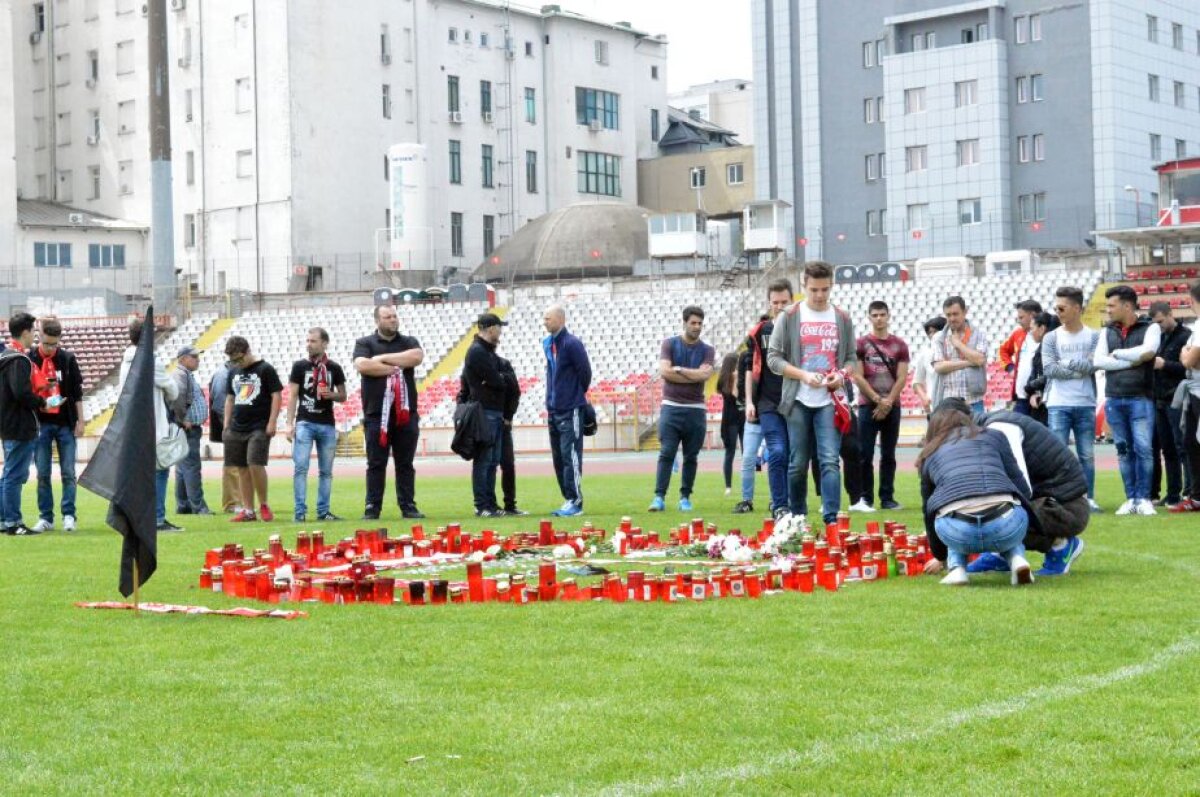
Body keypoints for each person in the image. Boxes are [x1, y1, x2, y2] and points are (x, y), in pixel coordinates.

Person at [930, 399, 1088, 577]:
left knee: (1000, 516)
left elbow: (1022, 488)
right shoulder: (986, 430)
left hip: (1065, 507)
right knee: (993, 511)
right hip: (1050, 498)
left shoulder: (1001, 428)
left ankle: (1061, 545)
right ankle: (1000, 555)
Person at [768, 260, 857, 526]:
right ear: (804, 286)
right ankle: (798, 517)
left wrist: (840, 375)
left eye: (825, 289)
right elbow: (774, 359)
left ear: (831, 286)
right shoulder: (790, 316)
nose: (819, 296)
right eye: (814, 290)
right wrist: (804, 375)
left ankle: (831, 520)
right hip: (798, 398)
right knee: (798, 463)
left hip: (829, 400)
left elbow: (852, 358)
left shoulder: (842, 318)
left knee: (830, 460)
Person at [917, 405, 1036, 587]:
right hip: (1006, 526)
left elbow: (928, 511)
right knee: (1011, 507)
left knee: (949, 507)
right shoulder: (994, 436)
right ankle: (1017, 560)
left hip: (957, 532)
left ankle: (957, 569)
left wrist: (940, 556)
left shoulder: (930, 453)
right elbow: (1021, 487)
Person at [1094, 285, 1161, 515]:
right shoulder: (1107, 331)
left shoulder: (1151, 327)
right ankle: (1130, 498)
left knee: (1143, 448)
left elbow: (1149, 352)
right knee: (1123, 450)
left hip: (1141, 397)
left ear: (1127, 306)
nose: (1108, 310)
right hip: (1114, 398)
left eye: (1112, 305)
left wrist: (1119, 354)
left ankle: (1143, 498)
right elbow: (1099, 361)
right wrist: (1132, 360)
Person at [354, 305, 425, 520]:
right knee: (376, 463)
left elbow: (416, 357)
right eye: (388, 317)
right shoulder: (364, 343)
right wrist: (394, 366)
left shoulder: (409, 341)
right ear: (377, 320)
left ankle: (408, 506)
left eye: (395, 316)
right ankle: (372, 507)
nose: (393, 320)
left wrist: (380, 359)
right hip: (376, 415)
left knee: (405, 464)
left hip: (405, 414)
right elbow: (363, 366)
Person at [1041, 286, 1102, 512]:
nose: (1057, 312)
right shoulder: (1050, 337)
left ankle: (1089, 497)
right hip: (1058, 403)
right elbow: (1049, 369)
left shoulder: (1094, 336)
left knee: (1087, 454)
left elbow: (1093, 365)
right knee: (1058, 455)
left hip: (1085, 402)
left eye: (1061, 308)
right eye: (1056, 307)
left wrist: (1065, 364)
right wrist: (1078, 369)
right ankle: (1060, 499)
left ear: (1077, 308)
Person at [649, 305, 715, 512]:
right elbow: (665, 372)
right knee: (666, 452)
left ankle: (685, 497)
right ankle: (659, 497)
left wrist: (678, 370)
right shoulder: (669, 344)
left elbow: (705, 375)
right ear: (684, 323)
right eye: (693, 323)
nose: (697, 327)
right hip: (671, 407)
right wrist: (691, 374)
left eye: (700, 324)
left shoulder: (707, 350)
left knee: (691, 456)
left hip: (696, 409)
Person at [736, 279, 793, 518]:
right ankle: (779, 505)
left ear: (792, 301)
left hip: (797, 402)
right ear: (769, 303)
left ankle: (792, 503)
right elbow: (750, 368)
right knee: (777, 451)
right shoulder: (759, 332)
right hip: (768, 403)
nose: (779, 307)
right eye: (775, 303)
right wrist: (749, 401)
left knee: (795, 457)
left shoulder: (800, 329)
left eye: (784, 302)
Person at [118, 316, 181, 532]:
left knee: (137, 474)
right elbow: (173, 390)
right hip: (153, 425)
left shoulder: (126, 361)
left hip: (131, 426)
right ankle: (157, 517)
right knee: (160, 470)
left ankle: (134, 517)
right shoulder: (151, 361)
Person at [1, 313, 55, 535]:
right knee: (14, 476)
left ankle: (5, 520)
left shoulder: (5, 356)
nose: (35, 335)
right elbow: (22, 393)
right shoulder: (19, 359)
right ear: (25, 332)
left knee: (8, 474)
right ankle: (14, 522)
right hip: (20, 426)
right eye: (33, 331)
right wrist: (42, 401)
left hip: (7, 424)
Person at [852, 300, 910, 511]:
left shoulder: (900, 345)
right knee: (864, 454)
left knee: (888, 454)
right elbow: (857, 376)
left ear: (888, 316)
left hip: (892, 406)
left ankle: (887, 498)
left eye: (882, 314)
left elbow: (902, 378)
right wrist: (878, 400)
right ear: (869, 317)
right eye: (875, 315)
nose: (879, 319)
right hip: (868, 406)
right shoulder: (860, 344)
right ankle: (866, 499)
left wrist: (888, 401)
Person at [29, 317, 84, 533]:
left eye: (55, 344)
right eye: (47, 343)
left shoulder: (68, 359)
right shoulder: (29, 359)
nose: (51, 348)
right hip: (41, 424)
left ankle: (69, 515)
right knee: (42, 473)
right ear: (39, 337)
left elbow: (77, 393)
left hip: (65, 423)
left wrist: (81, 420)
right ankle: (46, 517)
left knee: (69, 472)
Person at [286, 328, 347, 523]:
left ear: (324, 343)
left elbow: (343, 395)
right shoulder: (299, 366)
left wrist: (332, 395)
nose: (309, 344)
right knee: (301, 468)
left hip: (327, 424)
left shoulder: (334, 368)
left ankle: (323, 511)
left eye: (313, 341)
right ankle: (300, 512)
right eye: (307, 340)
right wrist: (289, 423)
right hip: (305, 421)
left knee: (326, 472)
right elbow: (293, 395)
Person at [222, 336, 283, 523]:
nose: (237, 363)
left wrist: (272, 421)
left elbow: (276, 395)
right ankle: (248, 510)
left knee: (255, 463)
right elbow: (230, 399)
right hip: (236, 427)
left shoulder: (265, 369)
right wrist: (226, 424)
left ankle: (263, 504)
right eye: (234, 360)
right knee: (241, 468)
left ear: (247, 351)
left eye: (239, 358)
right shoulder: (233, 371)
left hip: (259, 426)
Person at [542, 305, 592, 517]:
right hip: (553, 409)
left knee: (570, 454)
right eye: (544, 319)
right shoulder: (548, 344)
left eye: (548, 318)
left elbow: (585, 373)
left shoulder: (572, 344)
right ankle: (567, 498)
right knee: (558, 457)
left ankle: (575, 500)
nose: (545, 322)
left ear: (560, 320)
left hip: (570, 407)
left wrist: (572, 395)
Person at [462, 313, 509, 518]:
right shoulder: (478, 352)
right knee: (485, 460)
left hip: (493, 411)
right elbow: (497, 381)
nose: (501, 332)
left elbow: (498, 379)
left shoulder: (485, 351)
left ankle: (489, 503)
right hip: (485, 411)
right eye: (499, 328)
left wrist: (499, 378)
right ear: (491, 329)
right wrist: (501, 379)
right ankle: (481, 505)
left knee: (492, 461)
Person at [1148, 301, 1192, 508]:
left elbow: (1188, 369)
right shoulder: (1158, 338)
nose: (1159, 325)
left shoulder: (1187, 336)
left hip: (1178, 398)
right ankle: (1173, 493)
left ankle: (1191, 492)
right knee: (1168, 450)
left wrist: (1164, 364)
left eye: (1161, 321)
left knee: (1183, 447)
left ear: (1170, 313)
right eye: (1156, 323)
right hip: (1160, 399)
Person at [172, 345, 213, 517]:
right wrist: (183, 419)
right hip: (188, 428)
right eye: (194, 357)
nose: (198, 360)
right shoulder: (181, 375)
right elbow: (177, 397)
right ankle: (199, 506)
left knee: (183, 468)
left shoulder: (185, 375)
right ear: (183, 358)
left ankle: (183, 505)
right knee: (192, 467)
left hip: (188, 427)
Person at [931, 296, 989, 415]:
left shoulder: (979, 334)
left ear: (965, 312)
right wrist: (969, 362)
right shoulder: (939, 337)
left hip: (974, 400)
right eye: (948, 315)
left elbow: (980, 359)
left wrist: (958, 344)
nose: (952, 318)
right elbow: (939, 367)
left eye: (955, 314)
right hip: (948, 401)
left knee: (977, 433)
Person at [1171, 281, 1200, 513]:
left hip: (1198, 389)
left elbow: (1189, 361)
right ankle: (1197, 496)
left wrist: (1185, 354)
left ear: (1191, 301)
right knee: (1190, 442)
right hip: (1193, 390)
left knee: (1194, 443)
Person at [999, 299, 1043, 416]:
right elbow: (1003, 350)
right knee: (1016, 428)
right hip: (1019, 397)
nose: (1018, 321)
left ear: (1032, 315)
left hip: (1040, 398)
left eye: (1021, 317)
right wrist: (1009, 367)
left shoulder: (1048, 334)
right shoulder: (1017, 334)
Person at [208, 356, 241, 513]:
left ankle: (238, 501)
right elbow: (220, 405)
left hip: (235, 425)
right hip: (232, 426)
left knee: (238, 465)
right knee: (232, 466)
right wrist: (229, 424)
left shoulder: (231, 373)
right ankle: (231, 504)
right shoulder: (223, 375)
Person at [497, 354, 525, 516]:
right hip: (484, 422)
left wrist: (508, 416)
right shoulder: (474, 363)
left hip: (502, 422)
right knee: (486, 465)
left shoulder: (503, 364)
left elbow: (515, 391)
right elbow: (465, 391)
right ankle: (487, 504)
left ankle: (510, 504)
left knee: (507, 464)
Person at [1021, 311, 1059, 426]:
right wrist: (1032, 392)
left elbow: (1050, 374)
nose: (1030, 332)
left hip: (1050, 403)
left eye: (1032, 328)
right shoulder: (1041, 347)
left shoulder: (1052, 348)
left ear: (1042, 328)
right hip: (1041, 400)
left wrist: (1031, 387)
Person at [717, 353, 743, 498]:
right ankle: (728, 485)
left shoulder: (738, 378)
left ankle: (746, 483)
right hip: (731, 419)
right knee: (730, 452)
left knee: (746, 452)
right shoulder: (724, 380)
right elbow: (734, 395)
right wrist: (735, 378)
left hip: (742, 417)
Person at [911, 316, 947, 417]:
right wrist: (924, 398)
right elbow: (916, 382)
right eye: (929, 332)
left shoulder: (953, 352)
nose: (932, 335)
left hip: (954, 407)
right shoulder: (925, 354)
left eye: (935, 331)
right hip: (934, 407)